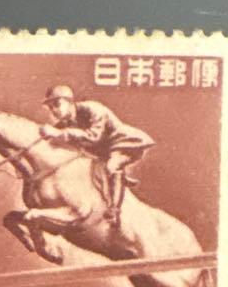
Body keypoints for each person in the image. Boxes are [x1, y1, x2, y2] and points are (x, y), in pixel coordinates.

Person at [39, 84, 155, 225]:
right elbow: (56, 134)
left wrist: (59, 133)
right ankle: (115, 183)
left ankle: (114, 211)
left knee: (112, 166)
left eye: (57, 104)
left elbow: (94, 136)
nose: (54, 111)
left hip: (125, 143)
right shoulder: (66, 121)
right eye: (51, 108)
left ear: (70, 102)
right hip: (105, 151)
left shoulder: (93, 109)